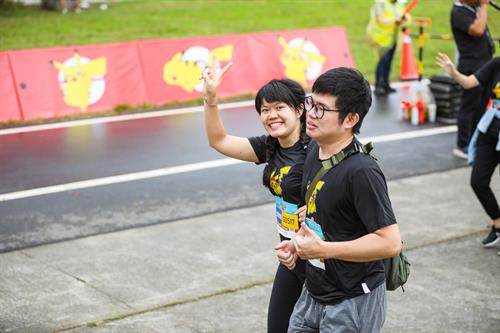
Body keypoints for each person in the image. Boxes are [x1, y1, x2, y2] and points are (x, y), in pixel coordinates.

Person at [275, 67, 402, 333]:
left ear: (350, 119)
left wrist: (323, 250)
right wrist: (298, 246)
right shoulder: (313, 149)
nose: (310, 113)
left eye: (322, 109)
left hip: (353, 298)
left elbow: (390, 243)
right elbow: (327, 219)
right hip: (314, 290)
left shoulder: (362, 172)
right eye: (311, 102)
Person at [201, 60, 309, 333]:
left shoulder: (318, 150)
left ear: (299, 110)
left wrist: (319, 207)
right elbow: (219, 141)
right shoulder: (269, 147)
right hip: (290, 257)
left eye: (279, 108)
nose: (271, 115)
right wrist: (211, 100)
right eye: (265, 110)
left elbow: (346, 188)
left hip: (321, 259)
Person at [437, 53, 500, 248]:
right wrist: (453, 72)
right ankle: (498, 224)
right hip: (490, 132)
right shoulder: (497, 63)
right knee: (478, 181)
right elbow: (469, 82)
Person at [450, 0, 495, 159]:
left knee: (480, 107)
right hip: (471, 67)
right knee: (468, 108)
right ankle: (462, 145)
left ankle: (473, 141)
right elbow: (477, 30)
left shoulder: (471, 8)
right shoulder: (458, 12)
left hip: (483, 66)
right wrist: (483, 6)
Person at [366, 0, 410, 96]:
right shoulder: (381, 3)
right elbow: (380, 19)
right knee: (383, 61)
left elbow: (407, 17)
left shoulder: (398, 4)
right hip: (381, 38)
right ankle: (379, 85)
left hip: (393, 39)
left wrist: (405, 19)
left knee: (389, 61)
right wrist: (395, 20)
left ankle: (386, 83)